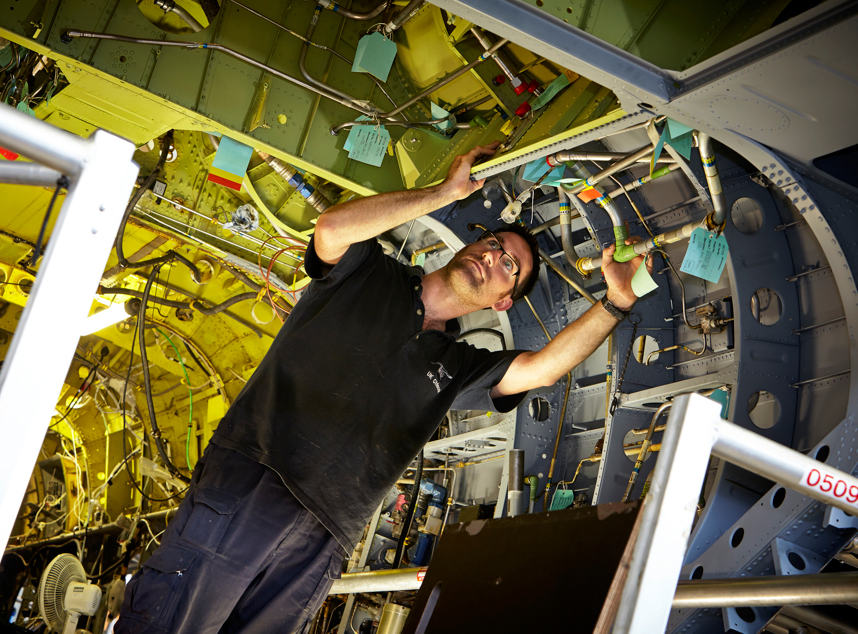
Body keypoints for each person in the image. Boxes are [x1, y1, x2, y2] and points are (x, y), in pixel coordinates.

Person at [115, 142, 650, 634]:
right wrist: (442, 193)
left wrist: (617, 303)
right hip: (257, 478)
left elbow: (542, 369)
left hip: (327, 535)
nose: (491, 256)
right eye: (491, 244)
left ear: (503, 301)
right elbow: (329, 229)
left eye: (508, 265)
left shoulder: (457, 365)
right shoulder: (369, 270)